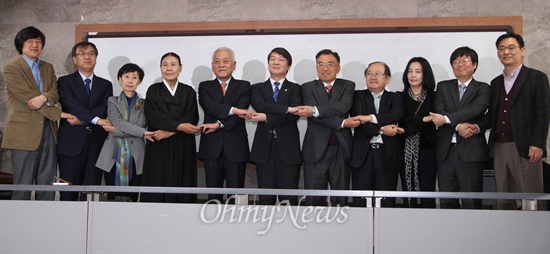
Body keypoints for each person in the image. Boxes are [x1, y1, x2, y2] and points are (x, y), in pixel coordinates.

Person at [2, 26, 77, 200]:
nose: (35, 45)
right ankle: (20, 224)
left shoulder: (47, 67)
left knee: (47, 182)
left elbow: (54, 93)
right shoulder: (12, 68)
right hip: (23, 134)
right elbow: (28, 99)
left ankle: (45, 223)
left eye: (38, 42)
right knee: (23, 184)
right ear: (21, 45)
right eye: (30, 41)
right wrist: (60, 114)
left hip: (49, 131)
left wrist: (43, 97)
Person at [486, 33, 550, 210]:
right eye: (501, 48)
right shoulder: (496, 82)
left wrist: (538, 143)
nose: (506, 52)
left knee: (532, 200)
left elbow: (543, 114)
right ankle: (507, 236)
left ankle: (535, 237)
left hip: (526, 147)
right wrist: (474, 126)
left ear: (522, 51)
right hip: (499, 147)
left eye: (511, 47)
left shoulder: (537, 78)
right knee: (503, 198)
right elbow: (492, 115)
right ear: (498, 54)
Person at [426, 46, 490, 209]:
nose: (460, 64)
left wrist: (447, 119)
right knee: (447, 200)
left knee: (472, 200)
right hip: (446, 152)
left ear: (474, 65)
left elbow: (476, 109)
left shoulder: (483, 88)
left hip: (471, 152)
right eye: (456, 61)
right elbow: (439, 110)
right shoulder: (443, 86)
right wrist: (458, 125)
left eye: (465, 60)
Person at [296, 49, 356, 206]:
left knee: (340, 200)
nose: (325, 68)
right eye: (320, 64)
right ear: (316, 67)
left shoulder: (348, 85)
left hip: (341, 150)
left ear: (338, 68)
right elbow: (316, 117)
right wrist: (342, 123)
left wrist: (315, 110)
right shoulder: (307, 87)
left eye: (330, 64)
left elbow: (343, 107)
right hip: (315, 150)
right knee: (314, 200)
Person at [141, 52, 201, 203]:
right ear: (160, 68)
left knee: (183, 180)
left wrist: (171, 131)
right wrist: (178, 126)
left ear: (180, 68)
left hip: (182, 143)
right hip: (159, 144)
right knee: (158, 180)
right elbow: (153, 116)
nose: (169, 68)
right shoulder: (153, 90)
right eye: (165, 65)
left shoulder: (188, 91)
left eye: (173, 65)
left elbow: (192, 116)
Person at [57, 41, 113, 201]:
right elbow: (71, 104)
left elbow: (104, 108)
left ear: (96, 58)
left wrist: (83, 121)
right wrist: (96, 120)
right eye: (82, 53)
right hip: (71, 145)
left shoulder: (105, 84)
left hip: (96, 144)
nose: (87, 57)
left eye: (91, 53)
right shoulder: (64, 81)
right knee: (67, 192)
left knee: (89, 194)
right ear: (75, 59)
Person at [198, 47, 253, 203]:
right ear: (212, 65)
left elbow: (241, 114)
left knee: (236, 197)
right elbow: (209, 106)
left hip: (236, 147)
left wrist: (219, 124)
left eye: (225, 61)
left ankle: (236, 227)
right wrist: (233, 110)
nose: (221, 65)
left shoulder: (244, 86)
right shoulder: (204, 86)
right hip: (211, 147)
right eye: (217, 61)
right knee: (212, 196)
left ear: (234, 65)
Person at [249, 47, 302, 205]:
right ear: (268, 64)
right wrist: (286, 108)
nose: (276, 62)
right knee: (266, 199)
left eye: (281, 59)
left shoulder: (296, 89)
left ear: (288, 67)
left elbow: (293, 116)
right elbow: (259, 105)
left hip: (288, 149)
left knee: (289, 199)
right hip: (264, 149)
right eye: (273, 59)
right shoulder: (257, 88)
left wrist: (266, 117)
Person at [348, 62, 403, 207]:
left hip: (387, 156)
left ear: (387, 78)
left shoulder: (395, 97)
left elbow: (395, 115)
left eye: (377, 74)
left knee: (386, 202)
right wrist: (382, 130)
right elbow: (358, 119)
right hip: (362, 157)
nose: (373, 77)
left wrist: (370, 118)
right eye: (369, 73)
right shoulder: (357, 96)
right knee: (360, 202)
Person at [96, 63, 154, 201]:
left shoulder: (145, 103)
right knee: (111, 196)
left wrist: (116, 131)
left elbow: (141, 124)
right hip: (112, 154)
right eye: (126, 76)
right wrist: (142, 132)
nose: (130, 81)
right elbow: (117, 121)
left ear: (139, 81)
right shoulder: (112, 101)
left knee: (134, 196)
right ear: (119, 79)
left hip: (136, 154)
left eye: (134, 77)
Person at [397, 57, 437, 208]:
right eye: (410, 71)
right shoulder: (399, 97)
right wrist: (424, 120)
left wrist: (413, 123)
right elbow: (402, 119)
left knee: (428, 189)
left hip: (428, 148)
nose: (413, 75)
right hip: (404, 148)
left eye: (418, 71)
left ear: (425, 74)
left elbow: (408, 123)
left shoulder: (434, 96)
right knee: (408, 190)